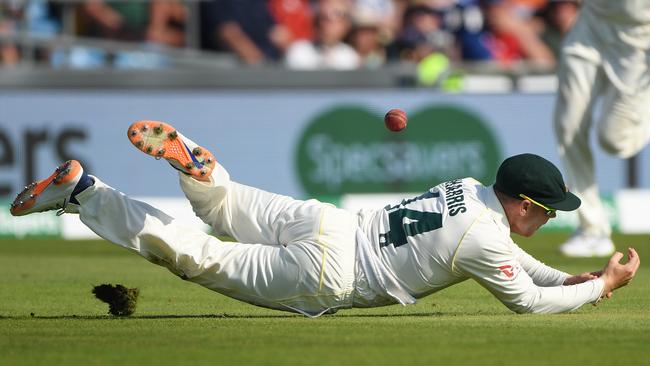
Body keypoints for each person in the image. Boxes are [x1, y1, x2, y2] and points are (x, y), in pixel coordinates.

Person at [10, 121, 639, 317]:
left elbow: (521, 266)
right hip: (330, 270)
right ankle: (87, 194)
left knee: (225, 207)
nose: (550, 219)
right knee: (199, 256)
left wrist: (574, 279)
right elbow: (524, 299)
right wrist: (598, 289)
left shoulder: (469, 191)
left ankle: (201, 174)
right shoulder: (482, 236)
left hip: (330, 223)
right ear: (524, 204)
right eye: (547, 210)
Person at [554, 0, 650, 257]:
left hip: (639, 40)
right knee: (568, 125)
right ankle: (591, 228)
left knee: (614, 141)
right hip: (590, 26)